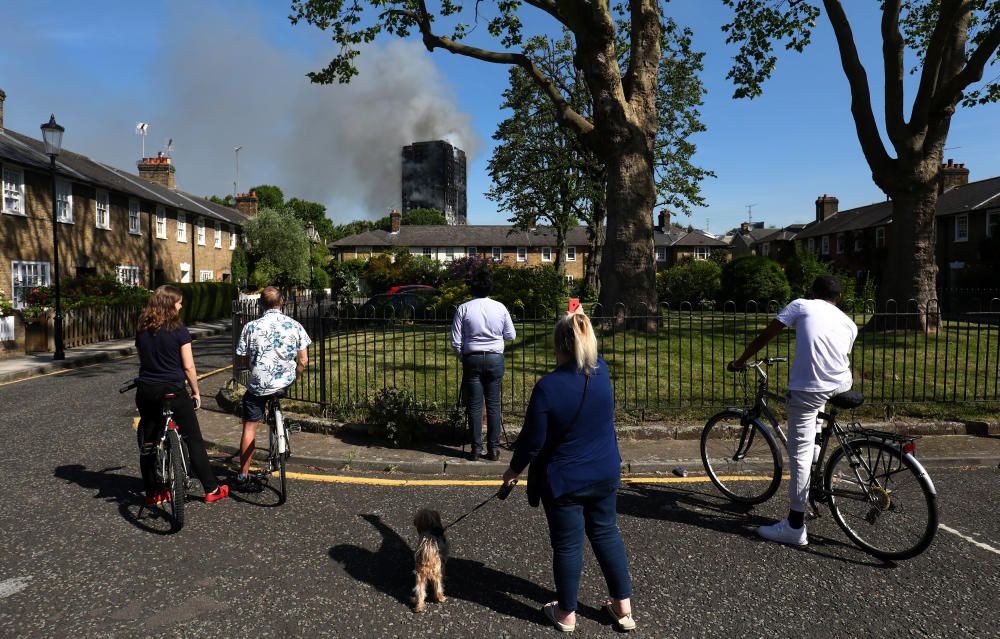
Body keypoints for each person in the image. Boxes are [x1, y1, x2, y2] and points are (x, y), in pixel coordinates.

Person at [501, 310, 635, 633]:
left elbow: (532, 441)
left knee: (568, 544)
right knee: (606, 533)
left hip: (565, 479)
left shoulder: (548, 387)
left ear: (558, 345)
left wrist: (512, 470)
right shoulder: (602, 372)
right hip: (605, 471)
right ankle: (623, 608)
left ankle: (566, 613)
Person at [729, 275, 858, 546]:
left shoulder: (801, 305)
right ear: (840, 298)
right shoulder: (849, 322)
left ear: (813, 293)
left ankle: (795, 526)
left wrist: (741, 361)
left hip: (809, 388)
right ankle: (816, 458)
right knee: (815, 416)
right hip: (842, 382)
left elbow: (767, 334)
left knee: (798, 453)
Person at [134, 285, 228, 504]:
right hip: (173, 390)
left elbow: (142, 359)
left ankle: (154, 493)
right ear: (170, 305)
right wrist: (195, 391)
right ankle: (211, 489)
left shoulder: (141, 328)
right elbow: (189, 367)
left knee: (148, 442)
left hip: (147, 390)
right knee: (193, 438)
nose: (181, 305)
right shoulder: (179, 329)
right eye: (178, 302)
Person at [235, 286, 311, 489]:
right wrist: (296, 376)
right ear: (282, 302)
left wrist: (252, 368)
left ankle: (243, 474)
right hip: (284, 381)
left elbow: (242, 357)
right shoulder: (294, 325)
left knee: (250, 426)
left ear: (260, 304)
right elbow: (303, 360)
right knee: (276, 395)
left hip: (259, 383)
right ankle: (281, 432)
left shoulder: (250, 327)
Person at [450, 271, 515, 461]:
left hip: (472, 357)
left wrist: (462, 356)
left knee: (475, 406)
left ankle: (476, 449)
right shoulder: (500, 307)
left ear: (472, 288)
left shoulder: (464, 308)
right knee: (494, 404)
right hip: (495, 358)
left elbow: (455, 341)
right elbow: (511, 335)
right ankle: (493, 449)